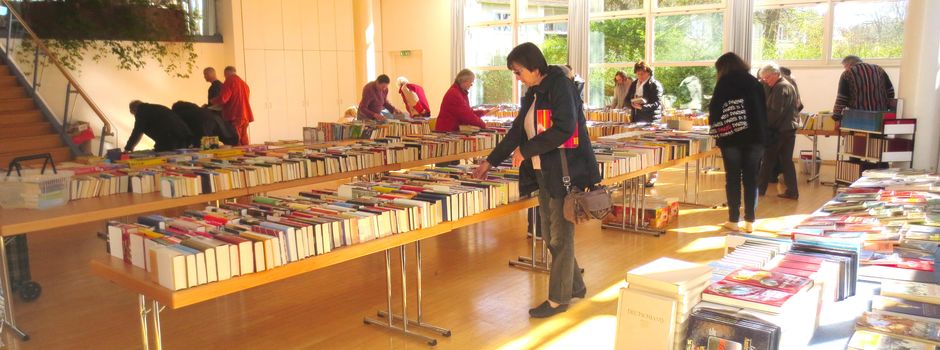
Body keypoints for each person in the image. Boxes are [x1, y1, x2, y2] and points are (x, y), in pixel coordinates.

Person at [472, 42, 600, 319]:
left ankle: (558, 300)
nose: (517, 78)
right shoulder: (533, 93)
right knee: (552, 235)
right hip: (543, 172)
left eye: (518, 72)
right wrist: (490, 161)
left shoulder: (558, 86)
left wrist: (526, 150)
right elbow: (517, 131)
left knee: (560, 236)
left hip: (564, 173)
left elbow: (566, 128)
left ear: (533, 66)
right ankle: (574, 287)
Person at [708, 52, 768, 234]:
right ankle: (750, 220)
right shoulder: (754, 83)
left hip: (731, 138)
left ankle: (733, 219)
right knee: (751, 179)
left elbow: (715, 111)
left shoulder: (724, 83)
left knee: (732, 178)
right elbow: (763, 112)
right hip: (755, 138)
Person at [757, 63, 800, 200]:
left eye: (767, 77)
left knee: (767, 160)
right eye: (764, 78)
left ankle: (759, 191)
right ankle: (792, 191)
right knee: (786, 161)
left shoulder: (780, 87)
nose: (766, 80)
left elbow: (775, 112)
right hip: (788, 128)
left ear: (776, 74)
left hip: (779, 130)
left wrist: (764, 126)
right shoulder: (786, 85)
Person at [625, 61, 664, 186]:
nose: (639, 76)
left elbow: (657, 103)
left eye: (642, 74)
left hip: (651, 120)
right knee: (637, 148)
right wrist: (631, 104)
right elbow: (626, 99)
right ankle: (638, 176)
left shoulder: (655, 85)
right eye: (637, 74)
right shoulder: (634, 84)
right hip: (636, 119)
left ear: (648, 72)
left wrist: (643, 107)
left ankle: (652, 175)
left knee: (651, 148)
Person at [832, 55, 895, 121]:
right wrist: (888, 107)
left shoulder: (847, 74)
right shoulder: (879, 70)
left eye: (845, 67)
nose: (845, 69)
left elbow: (842, 98)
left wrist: (836, 116)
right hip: (880, 114)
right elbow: (890, 91)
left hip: (859, 116)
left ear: (848, 64)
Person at [124, 100, 193, 152]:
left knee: (164, 158)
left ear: (134, 109)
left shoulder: (141, 112)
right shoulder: (156, 107)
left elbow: (137, 131)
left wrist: (128, 148)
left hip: (170, 138)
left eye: (134, 114)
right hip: (183, 135)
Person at [211, 66, 254, 146]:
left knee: (235, 139)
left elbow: (223, 98)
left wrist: (213, 101)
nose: (225, 77)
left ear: (226, 73)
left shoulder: (229, 80)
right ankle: (246, 156)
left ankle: (237, 157)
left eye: (224, 75)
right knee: (244, 139)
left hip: (234, 115)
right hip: (245, 115)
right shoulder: (244, 83)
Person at [171, 101, 239, 146]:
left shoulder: (180, 114)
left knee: (206, 146)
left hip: (203, 125)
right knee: (212, 143)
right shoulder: (198, 111)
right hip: (215, 120)